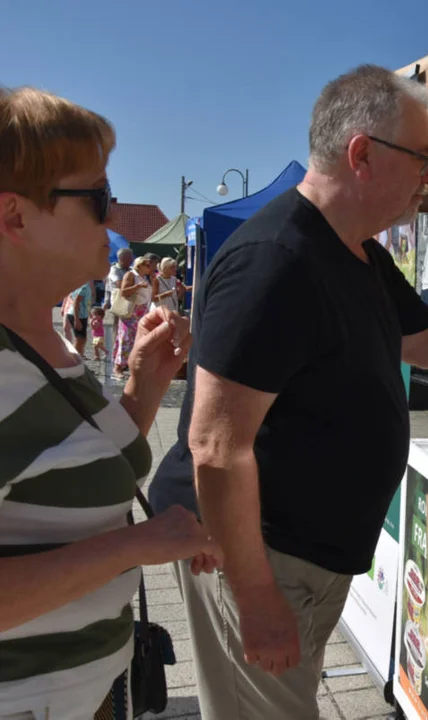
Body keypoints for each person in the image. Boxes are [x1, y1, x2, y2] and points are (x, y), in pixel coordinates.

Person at [149, 64, 428, 720]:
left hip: (300, 560)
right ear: (361, 153)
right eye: (423, 159)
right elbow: (215, 448)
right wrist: (255, 596)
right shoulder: (275, 260)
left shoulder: (355, 253)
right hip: (262, 557)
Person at [0, 86, 221, 720]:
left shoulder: (40, 337)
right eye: (97, 197)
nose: (114, 213)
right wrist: (135, 545)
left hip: (88, 688)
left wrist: (144, 386)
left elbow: (61, 463)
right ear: (14, 217)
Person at [112, 255, 152, 379]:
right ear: (140, 265)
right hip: (131, 312)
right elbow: (124, 292)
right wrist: (138, 286)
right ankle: (118, 367)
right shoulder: (131, 275)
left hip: (142, 312)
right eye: (147, 265)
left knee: (137, 340)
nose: (150, 268)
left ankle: (131, 365)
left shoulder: (144, 277)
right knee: (125, 339)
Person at [65, 281, 92, 356]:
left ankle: (78, 357)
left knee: (82, 339)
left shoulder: (79, 285)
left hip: (81, 314)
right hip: (78, 315)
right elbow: (76, 302)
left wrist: (89, 313)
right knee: (79, 339)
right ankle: (74, 358)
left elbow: (71, 297)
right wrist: (77, 320)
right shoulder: (84, 287)